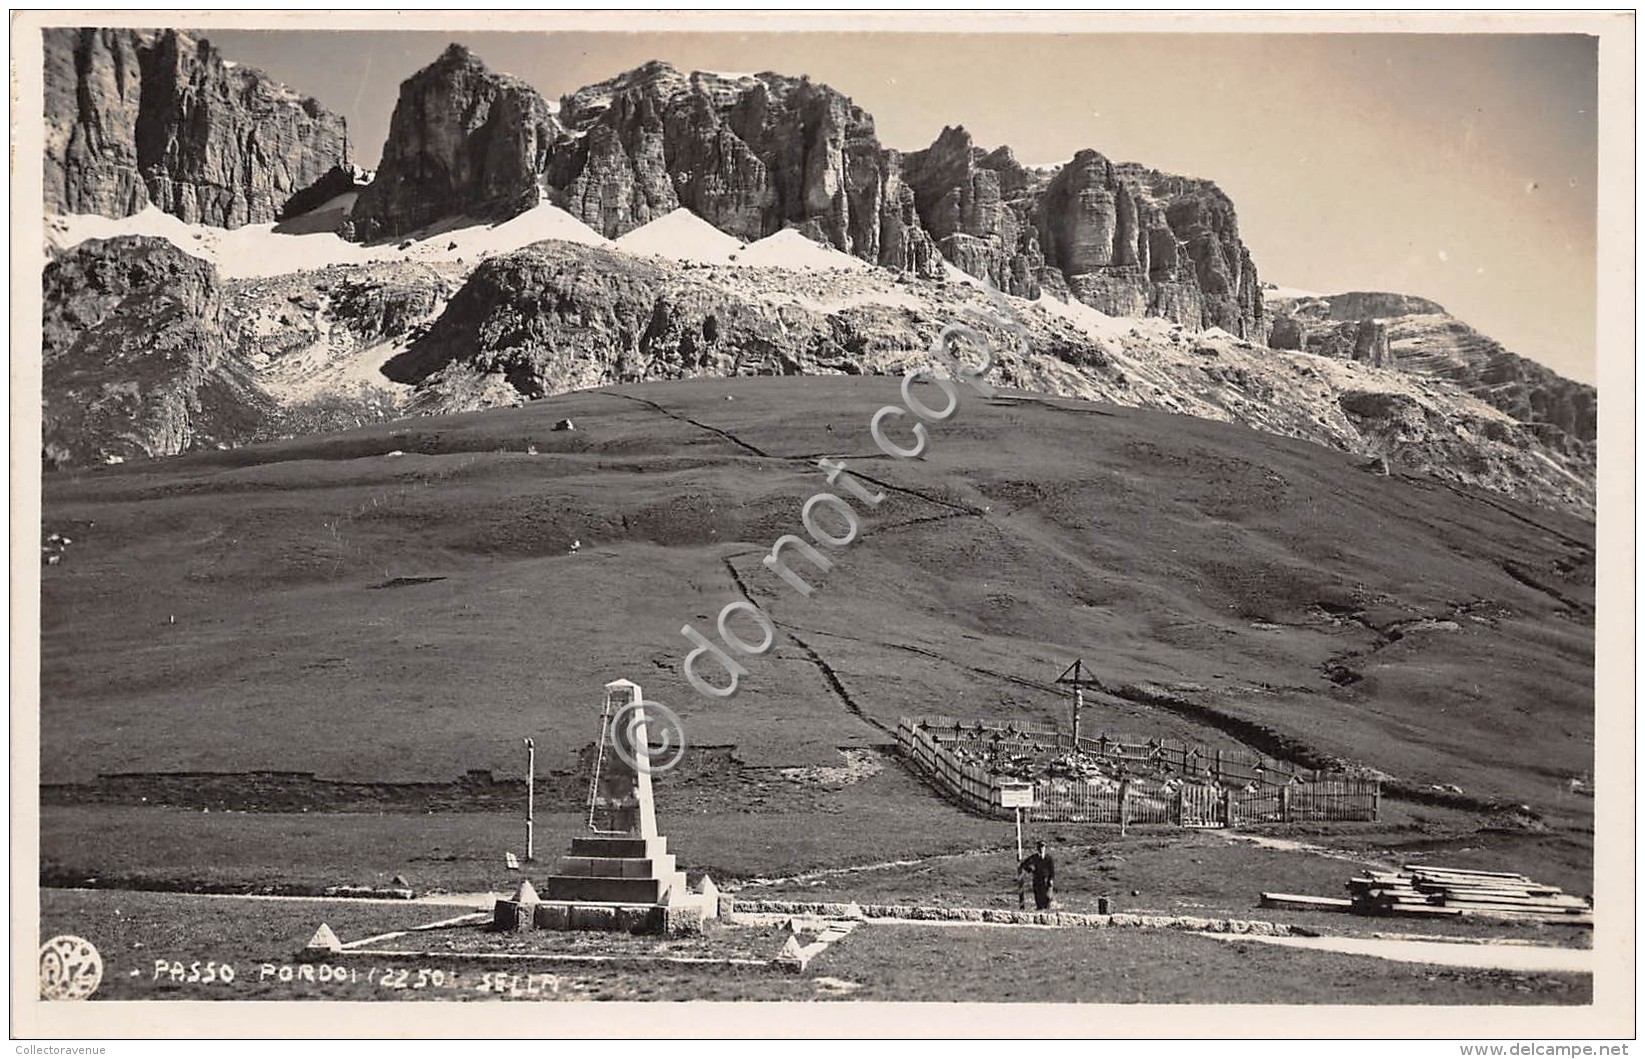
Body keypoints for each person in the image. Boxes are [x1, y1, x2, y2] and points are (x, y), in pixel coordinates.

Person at [1018, 840, 1056, 911]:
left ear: (1045, 848)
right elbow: (1023, 864)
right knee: (1039, 898)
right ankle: (1040, 910)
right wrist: (1030, 869)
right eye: (1040, 847)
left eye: (1043, 847)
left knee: (1047, 897)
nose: (1041, 849)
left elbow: (1052, 870)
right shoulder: (1034, 858)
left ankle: (1046, 911)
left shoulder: (1049, 858)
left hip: (1046, 880)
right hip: (1037, 880)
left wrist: (1051, 879)